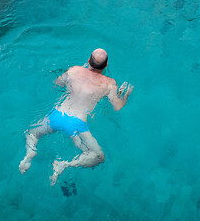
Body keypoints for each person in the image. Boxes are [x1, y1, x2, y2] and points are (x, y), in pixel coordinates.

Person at [19, 48, 134, 185]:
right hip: (76, 124)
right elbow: (117, 107)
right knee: (99, 157)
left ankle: (30, 153)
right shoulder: (109, 83)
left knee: (31, 133)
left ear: (88, 60)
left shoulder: (73, 70)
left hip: (57, 114)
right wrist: (125, 95)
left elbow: (56, 83)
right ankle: (65, 164)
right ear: (106, 65)